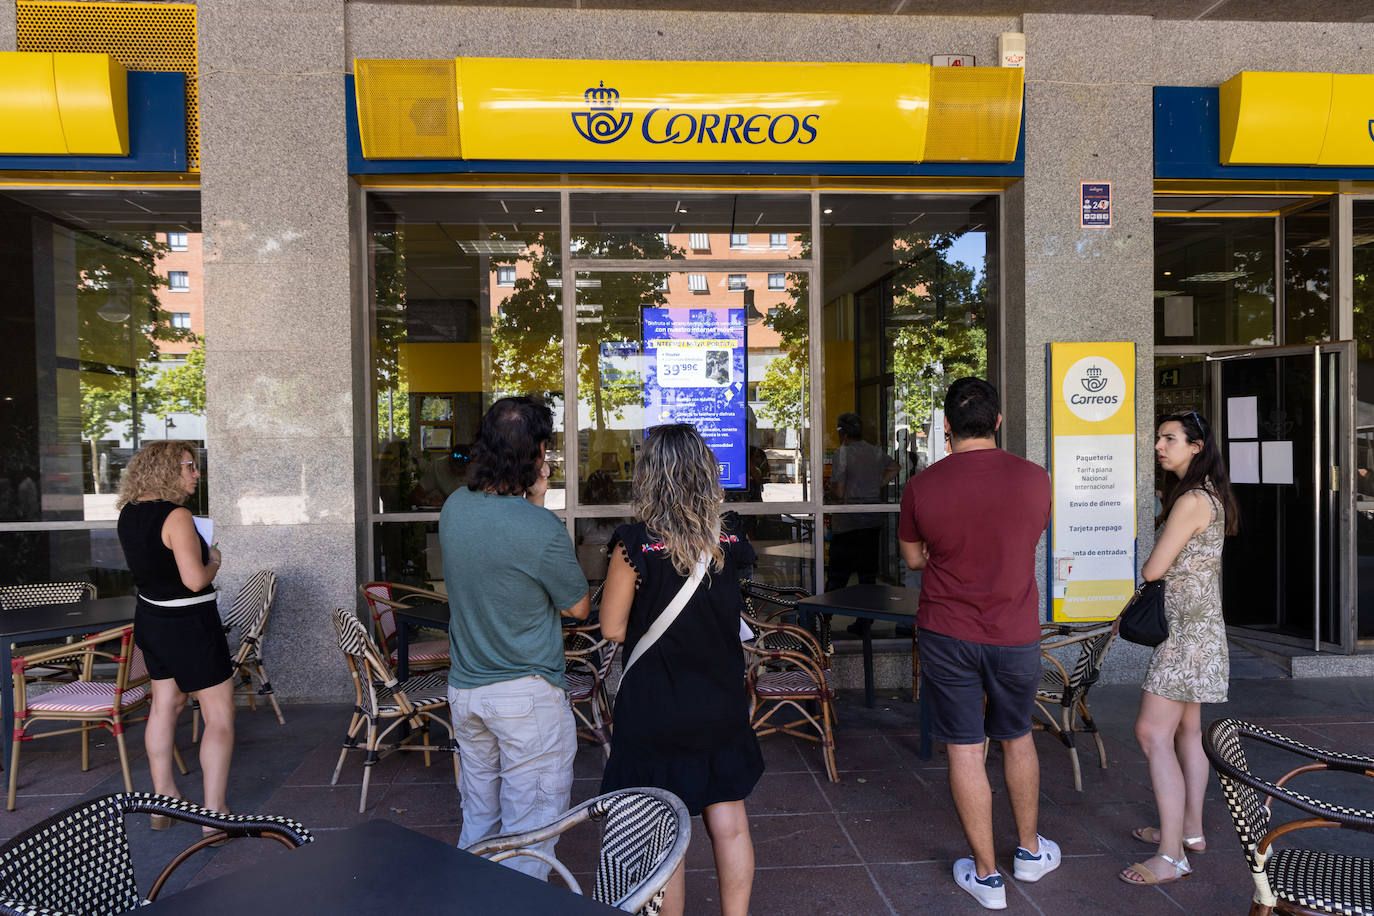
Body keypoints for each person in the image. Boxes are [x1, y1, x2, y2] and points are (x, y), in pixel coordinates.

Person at [897, 378, 1059, 910]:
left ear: (945, 426)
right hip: (1015, 633)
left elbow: (915, 560)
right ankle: (1031, 854)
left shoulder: (922, 487)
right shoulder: (1037, 480)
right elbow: (1029, 536)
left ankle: (987, 878)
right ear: (997, 422)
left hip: (947, 632)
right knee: (1017, 736)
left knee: (965, 749)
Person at [599, 423, 763, 916]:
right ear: (704, 473)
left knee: (663, 832)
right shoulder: (729, 535)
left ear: (648, 476)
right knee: (730, 821)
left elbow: (611, 627)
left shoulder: (634, 543)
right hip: (719, 701)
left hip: (655, 707)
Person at [438, 396, 591, 879]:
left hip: (466, 692)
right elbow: (577, 606)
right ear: (539, 453)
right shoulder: (539, 528)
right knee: (531, 837)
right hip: (526, 696)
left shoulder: (454, 508)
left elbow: (501, 552)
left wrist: (535, 500)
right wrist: (539, 506)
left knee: (479, 822)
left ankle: (471, 902)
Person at [1118, 410, 1237, 887]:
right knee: (1187, 732)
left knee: (1151, 734)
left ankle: (1171, 856)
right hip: (1200, 630)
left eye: (1170, 439)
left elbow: (1153, 570)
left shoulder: (1190, 499)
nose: (1159, 446)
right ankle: (1190, 831)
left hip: (1186, 636)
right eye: (1159, 438)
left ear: (1196, 446)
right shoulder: (1211, 496)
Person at [115, 441, 235, 838]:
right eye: (189, 466)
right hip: (189, 623)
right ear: (166, 469)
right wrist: (214, 558)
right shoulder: (177, 516)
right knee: (218, 715)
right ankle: (213, 815)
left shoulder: (128, 514)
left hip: (151, 619)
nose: (195, 474)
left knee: (165, 705)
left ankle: (162, 802)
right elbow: (195, 579)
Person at [826, 412, 899, 595]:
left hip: (847, 525)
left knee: (837, 577)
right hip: (872, 523)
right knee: (868, 577)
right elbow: (895, 467)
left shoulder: (842, 453)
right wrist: (876, 484)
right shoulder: (875, 452)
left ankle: (823, 619)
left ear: (842, 433)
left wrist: (829, 491)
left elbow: (839, 492)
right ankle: (864, 622)